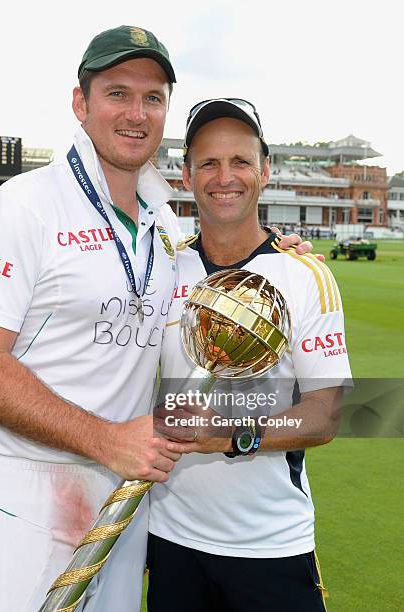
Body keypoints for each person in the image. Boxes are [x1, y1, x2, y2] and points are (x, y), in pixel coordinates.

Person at [0, 27, 312, 612]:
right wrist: (103, 439)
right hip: (29, 484)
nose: (136, 113)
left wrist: (275, 251)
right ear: (80, 103)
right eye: (117, 93)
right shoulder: (22, 204)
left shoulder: (166, 225)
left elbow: (326, 407)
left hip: (132, 489)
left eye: (153, 98)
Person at [147, 99, 352, 612]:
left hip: (270, 544)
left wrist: (229, 435)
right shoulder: (163, 267)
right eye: (208, 163)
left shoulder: (305, 275)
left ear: (264, 171)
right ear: (186, 174)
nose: (224, 177)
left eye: (240, 161)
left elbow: (325, 415)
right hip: (169, 538)